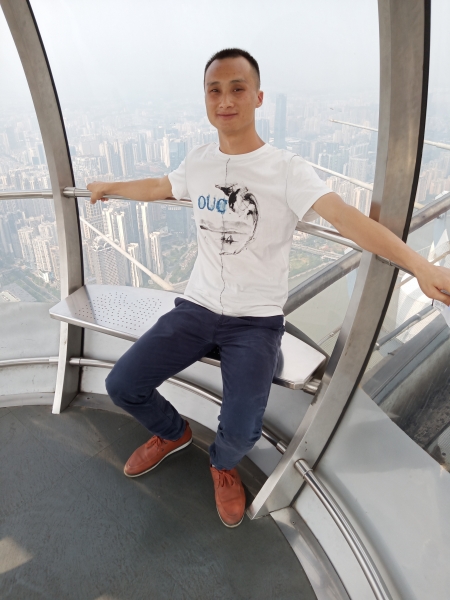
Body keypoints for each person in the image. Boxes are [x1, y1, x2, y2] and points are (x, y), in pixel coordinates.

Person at [87, 48, 450, 528]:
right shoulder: (199, 162)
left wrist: (418, 265)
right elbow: (159, 186)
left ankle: (222, 463)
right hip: (196, 307)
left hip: (255, 321)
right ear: (206, 99)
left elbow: (345, 219)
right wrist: (109, 186)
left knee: (242, 431)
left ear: (258, 97)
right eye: (215, 90)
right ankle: (173, 433)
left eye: (237, 89)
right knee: (122, 384)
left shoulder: (286, 169)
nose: (225, 100)